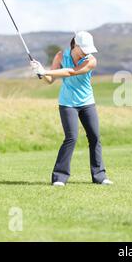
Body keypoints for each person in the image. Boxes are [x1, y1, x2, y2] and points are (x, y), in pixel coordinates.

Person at [30, 31, 112, 186]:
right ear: (76, 45)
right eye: (84, 49)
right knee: (71, 138)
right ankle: (59, 178)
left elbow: (71, 72)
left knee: (95, 137)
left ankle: (99, 176)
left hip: (87, 103)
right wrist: (39, 70)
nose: (87, 52)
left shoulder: (91, 60)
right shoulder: (61, 56)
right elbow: (50, 80)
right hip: (67, 104)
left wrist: (45, 71)